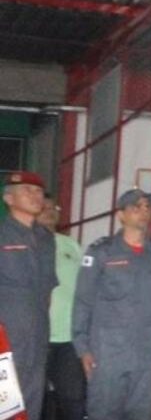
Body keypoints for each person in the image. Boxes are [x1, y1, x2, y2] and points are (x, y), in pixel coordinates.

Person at [71, 189, 151, 420]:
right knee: (104, 412)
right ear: (121, 215)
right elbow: (83, 301)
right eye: (136, 207)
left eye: (147, 207)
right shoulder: (101, 251)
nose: (144, 212)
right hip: (108, 352)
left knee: (141, 413)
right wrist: (82, 348)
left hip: (146, 350)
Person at [1, 171, 57, 420]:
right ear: (8, 198)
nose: (35, 196)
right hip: (5, 333)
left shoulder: (46, 239)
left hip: (36, 334)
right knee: (4, 401)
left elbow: (47, 291)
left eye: (38, 191)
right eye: (26, 190)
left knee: (31, 399)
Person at [36, 194, 86, 420]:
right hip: (34, 338)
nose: (50, 211)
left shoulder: (71, 245)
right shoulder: (24, 243)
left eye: (53, 206)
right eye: (43, 207)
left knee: (73, 400)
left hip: (68, 338)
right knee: (35, 399)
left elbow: (87, 287)